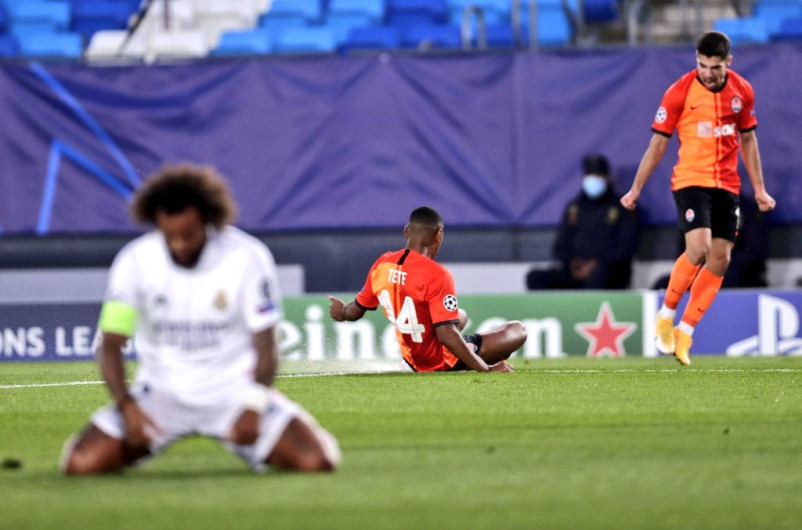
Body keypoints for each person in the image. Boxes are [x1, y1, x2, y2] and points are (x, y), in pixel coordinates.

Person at [60, 164, 340, 475]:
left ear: (208, 219)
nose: (179, 245)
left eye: (188, 235)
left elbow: (266, 343)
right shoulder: (134, 261)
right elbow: (111, 343)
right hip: (160, 394)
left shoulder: (246, 256)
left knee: (317, 462)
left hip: (235, 393)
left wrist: (255, 403)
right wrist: (127, 406)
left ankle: (302, 432)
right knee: (80, 465)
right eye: (170, 236)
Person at [620, 31, 776, 366]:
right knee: (699, 247)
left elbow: (748, 142)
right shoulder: (679, 92)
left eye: (714, 66)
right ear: (696, 59)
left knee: (720, 259)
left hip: (727, 185)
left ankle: (685, 333)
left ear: (727, 62)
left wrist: (759, 189)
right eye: (702, 64)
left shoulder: (742, 91)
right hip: (690, 180)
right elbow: (657, 145)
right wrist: (635, 189)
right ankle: (665, 315)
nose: (707, 72)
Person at [328, 206, 526, 373]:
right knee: (518, 330)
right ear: (438, 235)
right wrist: (486, 369)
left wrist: (342, 311)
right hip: (441, 361)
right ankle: (469, 355)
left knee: (460, 315)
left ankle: (434, 357)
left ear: (406, 231)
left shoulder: (382, 263)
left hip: (412, 357)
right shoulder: (436, 274)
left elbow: (355, 310)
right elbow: (446, 334)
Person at [526, 154, 638, 290]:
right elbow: (560, 247)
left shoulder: (621, 207)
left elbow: (626, 250)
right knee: (534, 277)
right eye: (589, 175)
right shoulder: (574, 208)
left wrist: (595, 264)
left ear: (607, 178)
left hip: (608, 273)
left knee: (598, 274)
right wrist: (573, 264)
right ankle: (550, 312)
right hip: (575, 272)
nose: (593, 180)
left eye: (598, 175)